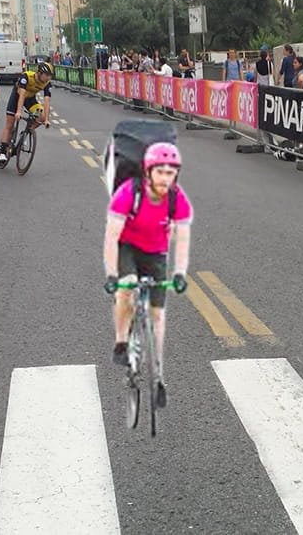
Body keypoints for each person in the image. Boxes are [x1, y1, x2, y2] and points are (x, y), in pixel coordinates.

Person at [104, 142, 192, 408]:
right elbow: (111, 237)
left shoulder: (178, 199)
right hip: (127, 247)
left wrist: (179, 272)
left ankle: (159, 375)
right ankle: (121, 342)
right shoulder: (128, 194)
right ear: (148, 172)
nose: (166, 178)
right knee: (127, 287)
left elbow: (183, 239)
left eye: (171, 172)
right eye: (161, 172)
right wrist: (111, 274)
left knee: (157, 316)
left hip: (156, 253)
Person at [0, 61, 53, 166]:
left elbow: (47, 101)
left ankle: (26, 132)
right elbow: (22, 95)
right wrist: (18, 112)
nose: (48, 78)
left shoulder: (46, 83)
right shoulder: (26, 76)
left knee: (42, 116)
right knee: (9, 125)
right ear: (40, 73)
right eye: (47, 75)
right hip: (17, 97)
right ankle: (2, 151)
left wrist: (46, 119)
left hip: (30, 99)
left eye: (50, 76)